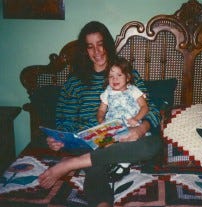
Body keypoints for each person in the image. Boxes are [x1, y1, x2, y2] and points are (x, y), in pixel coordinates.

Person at [38, 21, 162, 207]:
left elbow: (151, 109)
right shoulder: (74, 82)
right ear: (85, 51)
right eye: (90, 46)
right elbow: (64, 120)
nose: (96, 52)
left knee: (153, 144)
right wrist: (59, 139)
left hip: (126, 137)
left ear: (108, 45)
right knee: (97, 160)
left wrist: (142, 129)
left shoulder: (127, 74)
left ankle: (74, 163)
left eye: (100, 44)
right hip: (91, 143)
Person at [97, 56, 149, 127]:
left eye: (119, 75)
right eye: (111, 76)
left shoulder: (133, 90)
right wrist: (101, 120)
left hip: (132, 124)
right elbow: (101, 110)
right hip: (113, 126)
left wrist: (136, 119)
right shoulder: (107, 92)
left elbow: (144, 107)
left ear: (127, 77)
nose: (115, 79)